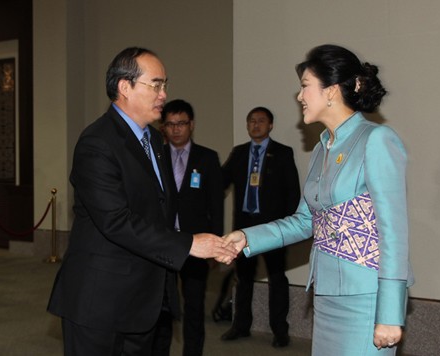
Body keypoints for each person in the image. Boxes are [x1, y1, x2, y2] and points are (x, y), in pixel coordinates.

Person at [222, 44, 414, 355]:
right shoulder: (323, 148)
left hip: (365, 298)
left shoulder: (376, 139)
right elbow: (305, 220)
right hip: (325, 296)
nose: (299, 97)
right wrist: (245, 238)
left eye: (305, 86)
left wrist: (390, 314)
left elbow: (394, 231)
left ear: (331, 91)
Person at [46, 47, 235, 356]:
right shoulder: (98, 142)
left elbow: (159, 210)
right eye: (156, 84)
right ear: (125, 87)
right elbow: (116, 221)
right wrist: (188, 244)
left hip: (145, 300)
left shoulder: (154, 142)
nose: (164, 94)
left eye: (165, 85)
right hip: (101, 304)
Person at [220, 106, 301, 348]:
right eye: (252, 121)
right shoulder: (240, 152)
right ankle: (240, 325)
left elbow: (293, 191)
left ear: (271, 125)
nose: (256, 125)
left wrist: (286, 226)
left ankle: (280, 330)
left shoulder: (282, 153)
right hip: (244, 227)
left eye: (261, 121)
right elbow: (220, 182)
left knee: (277, 278)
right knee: (243, 278)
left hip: (273, 228)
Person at [153, 99, 224, 356]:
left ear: (191, 125)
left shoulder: (207, 158)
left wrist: (216, 245)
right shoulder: (155, 157)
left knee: (194, 307)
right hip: (165, 243)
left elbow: (216, 204)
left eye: (181, 123)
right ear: (163, 127)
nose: (176, 129)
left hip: (198, 245)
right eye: (170, 124)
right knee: (161, 309)